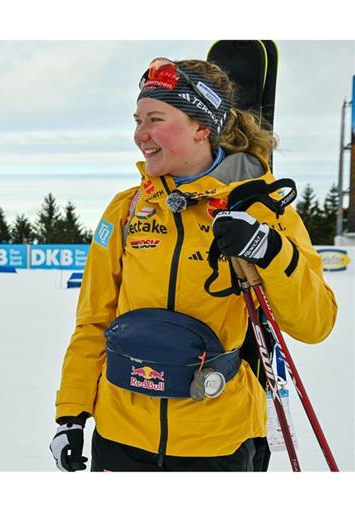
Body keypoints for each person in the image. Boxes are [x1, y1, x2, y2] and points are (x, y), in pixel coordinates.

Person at [49, 57, 337, 471]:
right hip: (120, 438)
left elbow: (316, 323)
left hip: (218, 442)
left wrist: (270, 249)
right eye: (137, 120)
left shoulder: (262, 209)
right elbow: (95, 321)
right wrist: (72, 414)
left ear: (202, 128)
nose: (139, 135)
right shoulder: (126, 210)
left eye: (155, 119)